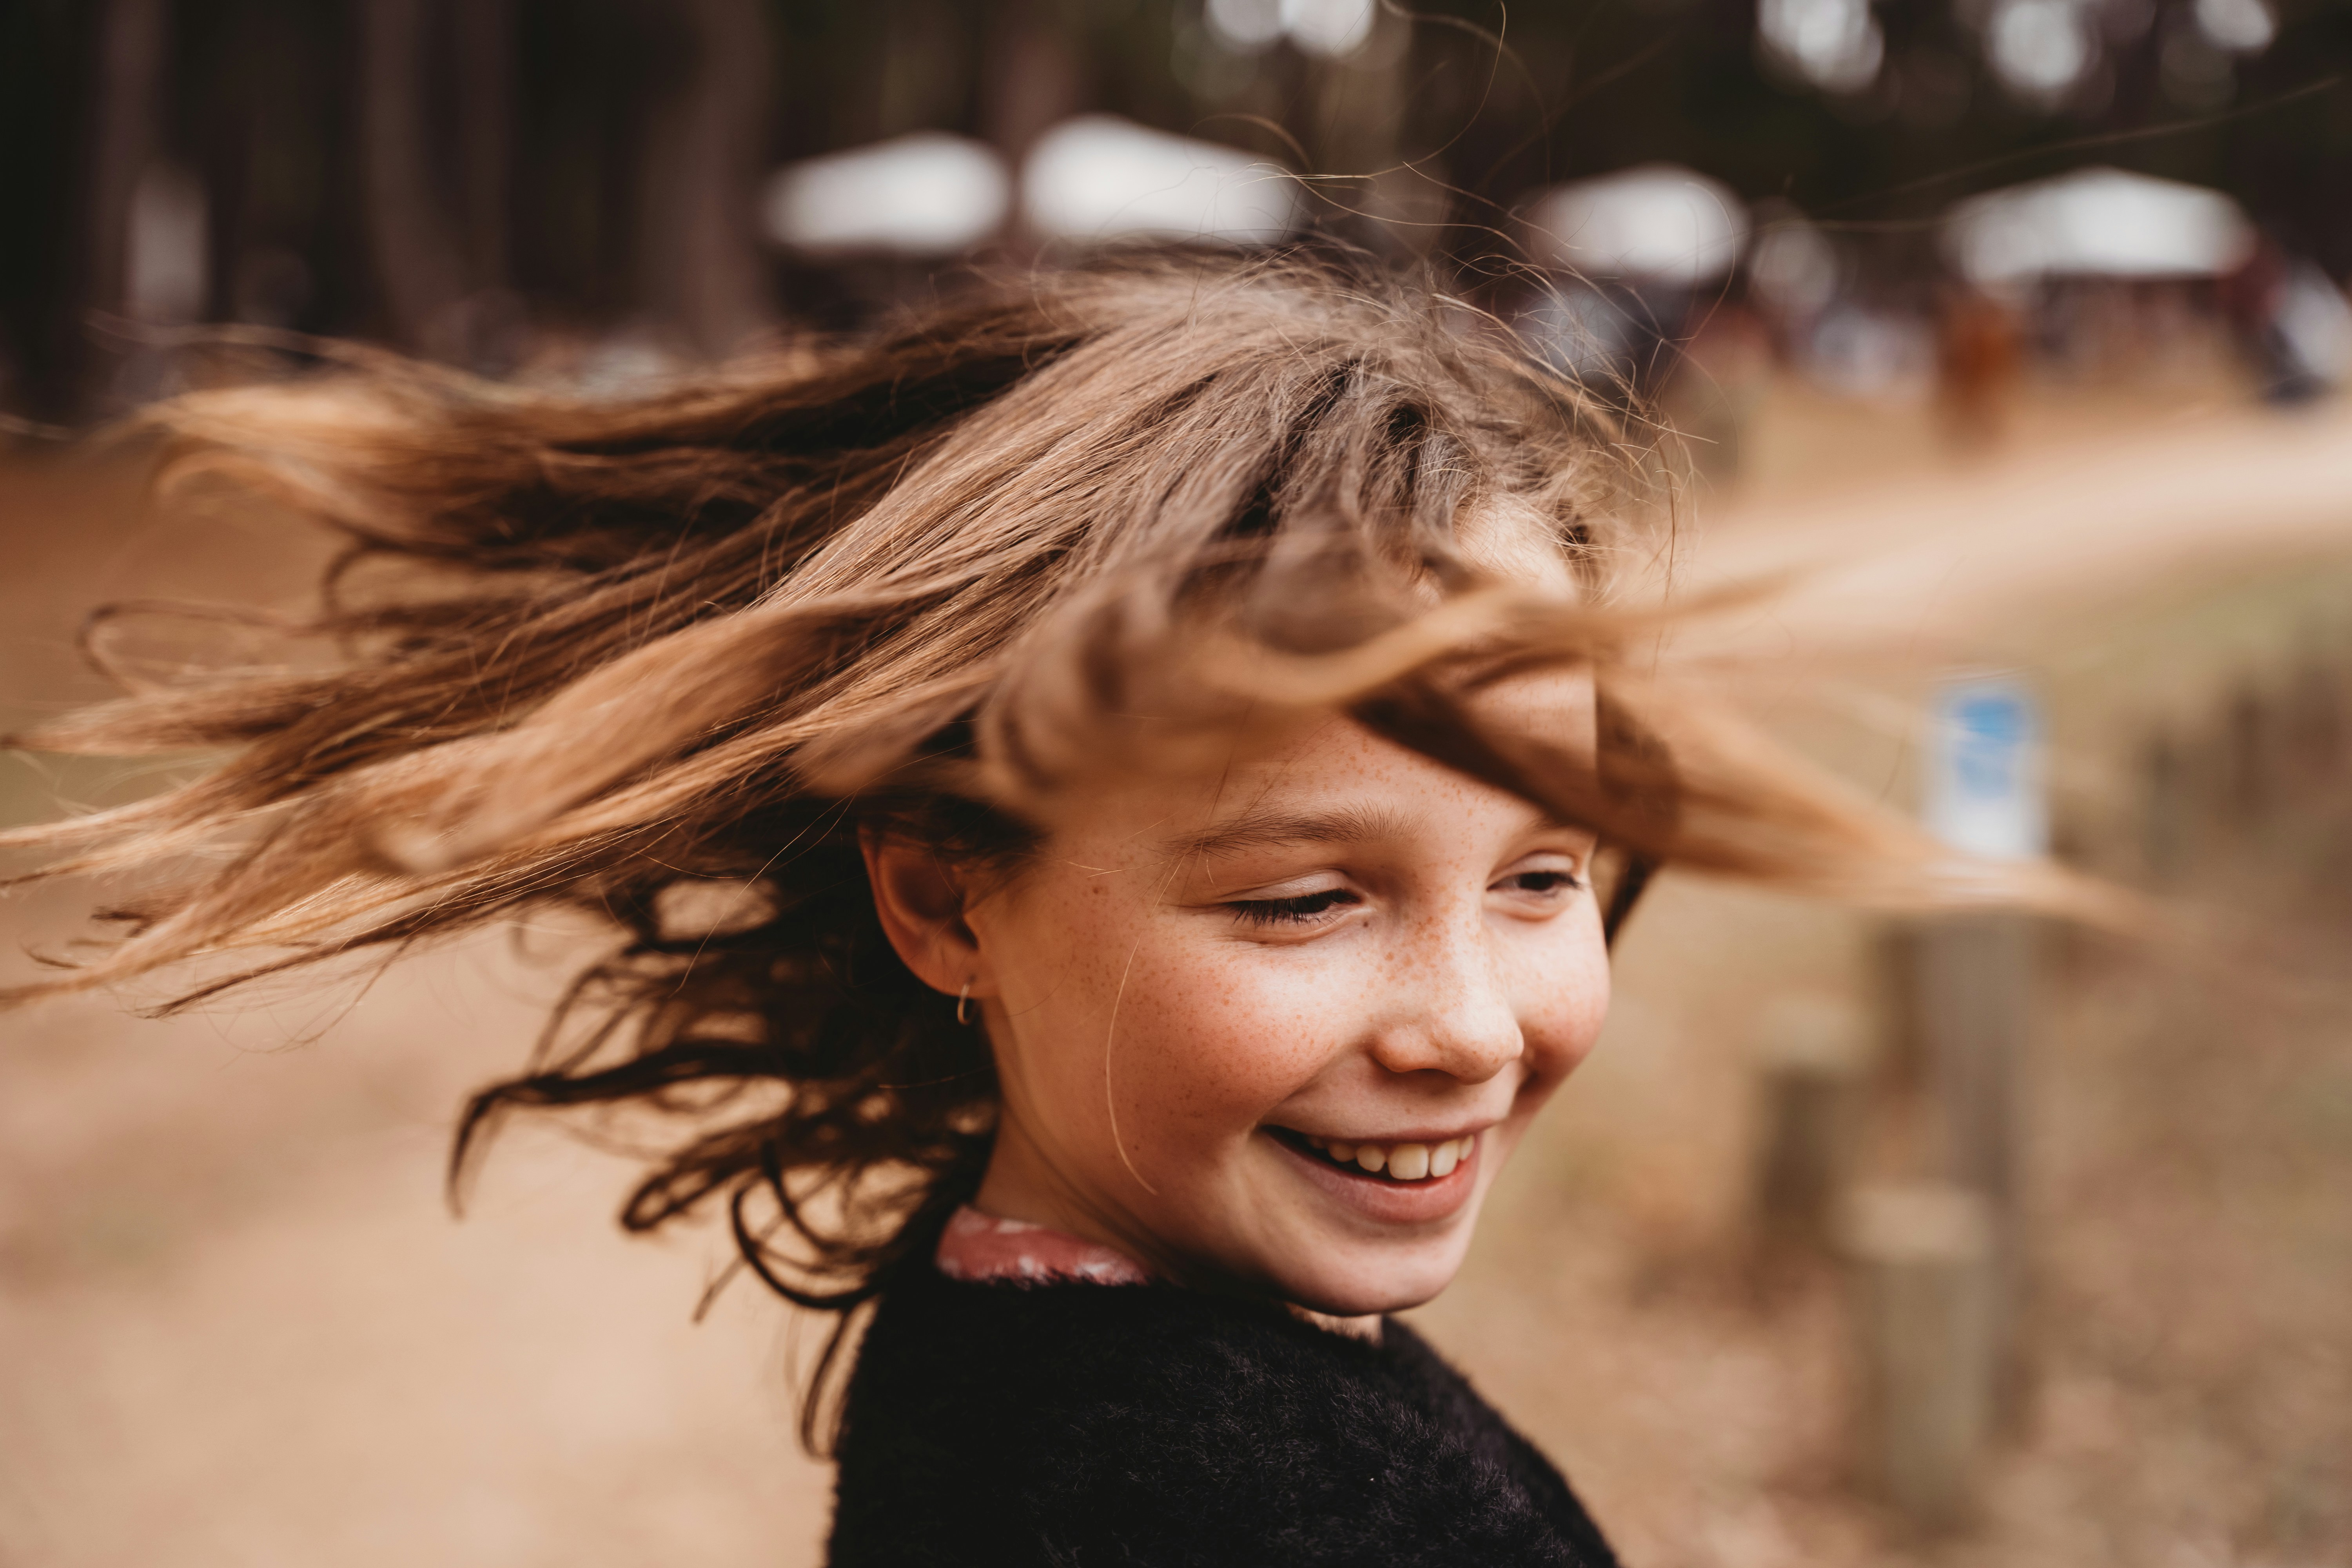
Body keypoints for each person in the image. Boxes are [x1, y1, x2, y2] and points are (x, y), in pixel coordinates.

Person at [2, 250, 1964, 1565]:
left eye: (1540, 874)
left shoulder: (999, 1332)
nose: (1469, 1016)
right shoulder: (1273, 1514)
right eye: (1301, 901)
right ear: (947, 899)